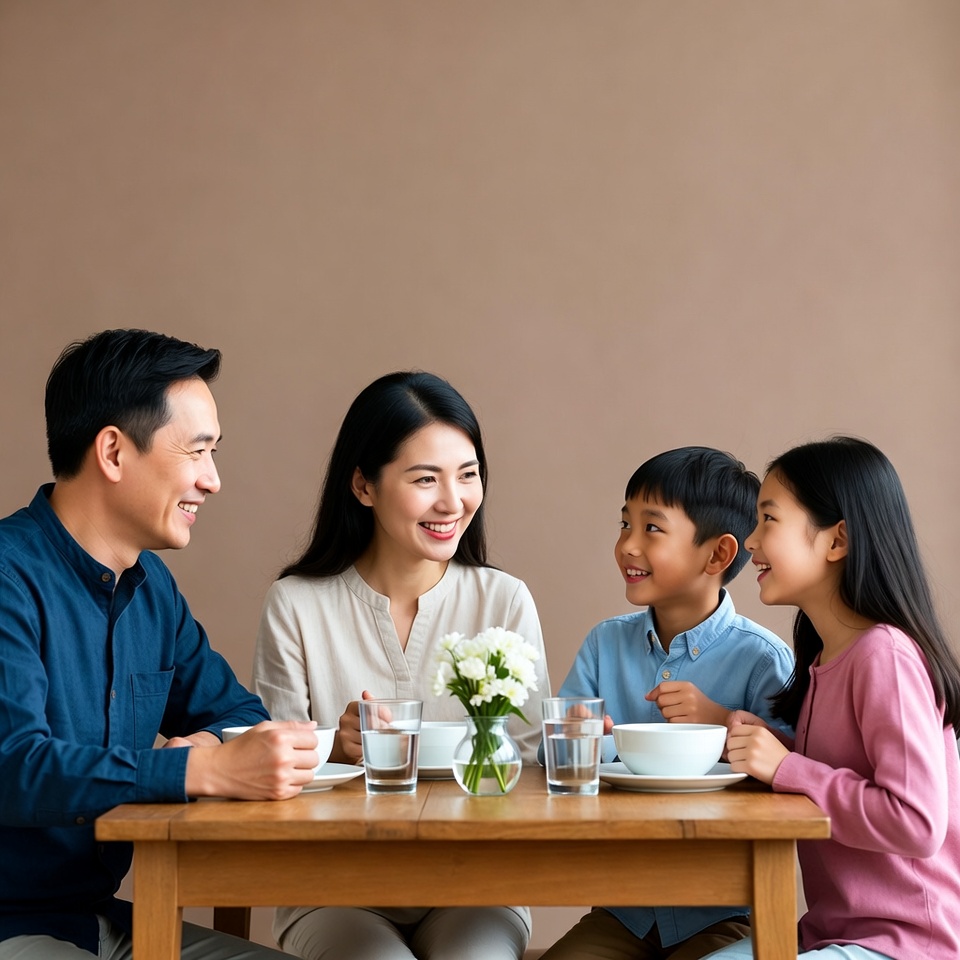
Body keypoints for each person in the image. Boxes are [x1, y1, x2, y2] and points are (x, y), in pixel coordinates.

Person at [0, 329, 319, 959]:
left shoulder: (152, 589)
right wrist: (200, 770)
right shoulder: (9, 577)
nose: (213, 480)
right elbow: (15, 768)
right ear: (114, 452)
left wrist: (208, 746)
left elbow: (240, 714)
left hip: (98, 918)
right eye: (197, 452)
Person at [252, 370, 551, 960]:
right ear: (363, 485)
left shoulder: (504, 600)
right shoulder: (295, 604)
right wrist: (332, 749)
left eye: (468, 475)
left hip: (477, 885)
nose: (452, 501)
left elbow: (527, 768)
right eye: (425, 479)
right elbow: (269, 770)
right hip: (333, 890)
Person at [702, 437, 960, 960]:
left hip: (908, 943)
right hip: (833, 931)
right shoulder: (829, 657)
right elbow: (844, 771)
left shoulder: (884, 656)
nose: (751, 540)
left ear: (837, 540)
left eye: (768, 519)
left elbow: (917, 822)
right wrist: (767, 744)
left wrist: (786, 768)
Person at [540, 446, 795, 960]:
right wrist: (585, 741)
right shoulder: (605, 643)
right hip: (622, 912)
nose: (627, 545)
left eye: (651, 528)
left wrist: (722, 722)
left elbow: (791, 771)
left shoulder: (762, 660)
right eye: (624, 524)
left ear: (718, 555)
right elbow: (553, 753)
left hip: (719, 914)